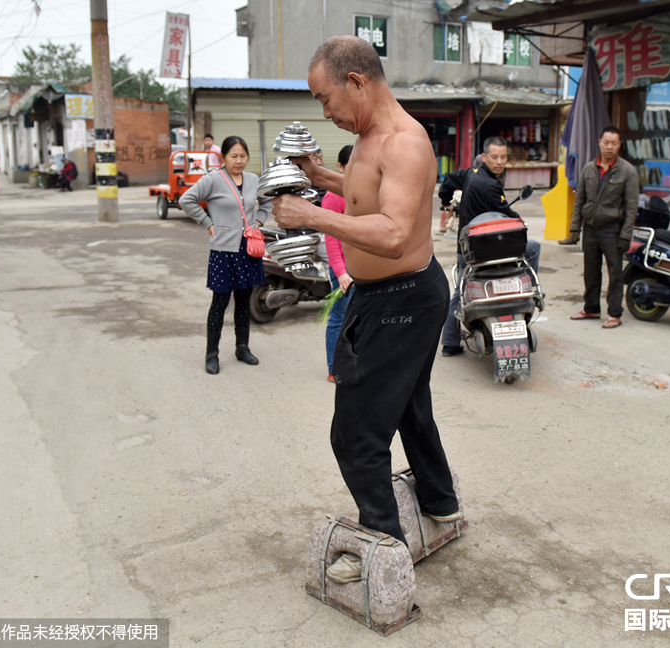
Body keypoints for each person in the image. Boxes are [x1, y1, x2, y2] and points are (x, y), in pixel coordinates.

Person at [271, 35, 460, 584]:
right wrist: (318, 177)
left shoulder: (403, 142)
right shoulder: (372, 138)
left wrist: (310, 217)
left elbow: (396, 232)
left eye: (325, 99)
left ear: (356, 82)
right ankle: (441, 501)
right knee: (407, 406)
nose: (325, 112)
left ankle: (385, 548)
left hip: (401, 298)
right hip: (395, 296)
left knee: (355, 436)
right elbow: (363, 193)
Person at [438, 136, 542, 356]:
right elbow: (507, 214)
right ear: (484, 157)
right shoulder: (491, 186)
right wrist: (519, 221)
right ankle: (529, 292)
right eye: (494, 157)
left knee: (459, 291)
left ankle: (449, 342)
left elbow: (448, 179)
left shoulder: (470, 174)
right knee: (533, 248)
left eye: (503, 157)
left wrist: (445, 200)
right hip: (489, 251)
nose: (499, 161)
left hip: (466, 249)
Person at [180, 135, 269, 375]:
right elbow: (186, 199)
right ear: (223, 157)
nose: (239, 161)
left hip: (248, 251)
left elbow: (268, 201)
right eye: (234, 156)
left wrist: (259, 220)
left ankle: (242, 348)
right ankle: (212, 354)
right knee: (219, 303)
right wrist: (206, 222)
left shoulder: (253, 180)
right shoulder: (213, 180)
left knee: (244, 302)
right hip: (223, 252)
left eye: (243, 156)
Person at [567, 125, 638, 329]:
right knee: (591, 271)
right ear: (599, 142)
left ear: (619, 145)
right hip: (590, 228)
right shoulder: (589, 169)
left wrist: (626, 234)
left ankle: (614, 313)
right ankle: (591, 308)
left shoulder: (627, 171)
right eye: (606, 142)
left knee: (615, 273)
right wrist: (575, 228)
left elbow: (632, 207)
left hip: (613, 229)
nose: (609, 147)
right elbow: (579, 199)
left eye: (614, 143)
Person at [321, 144, 354, 381]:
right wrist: (341, 272)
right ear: (340, 167)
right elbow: (331, 241)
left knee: (358, 319)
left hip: (362, 267)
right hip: (343, 270)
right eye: (350, 164)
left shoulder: (364, 192)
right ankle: (334, 368)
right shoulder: (333, 197)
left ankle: (354, 362)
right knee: (339, 318)